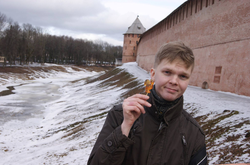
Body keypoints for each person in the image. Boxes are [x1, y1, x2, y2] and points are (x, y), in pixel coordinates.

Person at [87, 41, 207, 165]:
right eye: (167, 72)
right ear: (153, 74)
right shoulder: (119, 116)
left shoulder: (194, 133)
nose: (174, 81)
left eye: (183, 76)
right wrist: (124, 128)